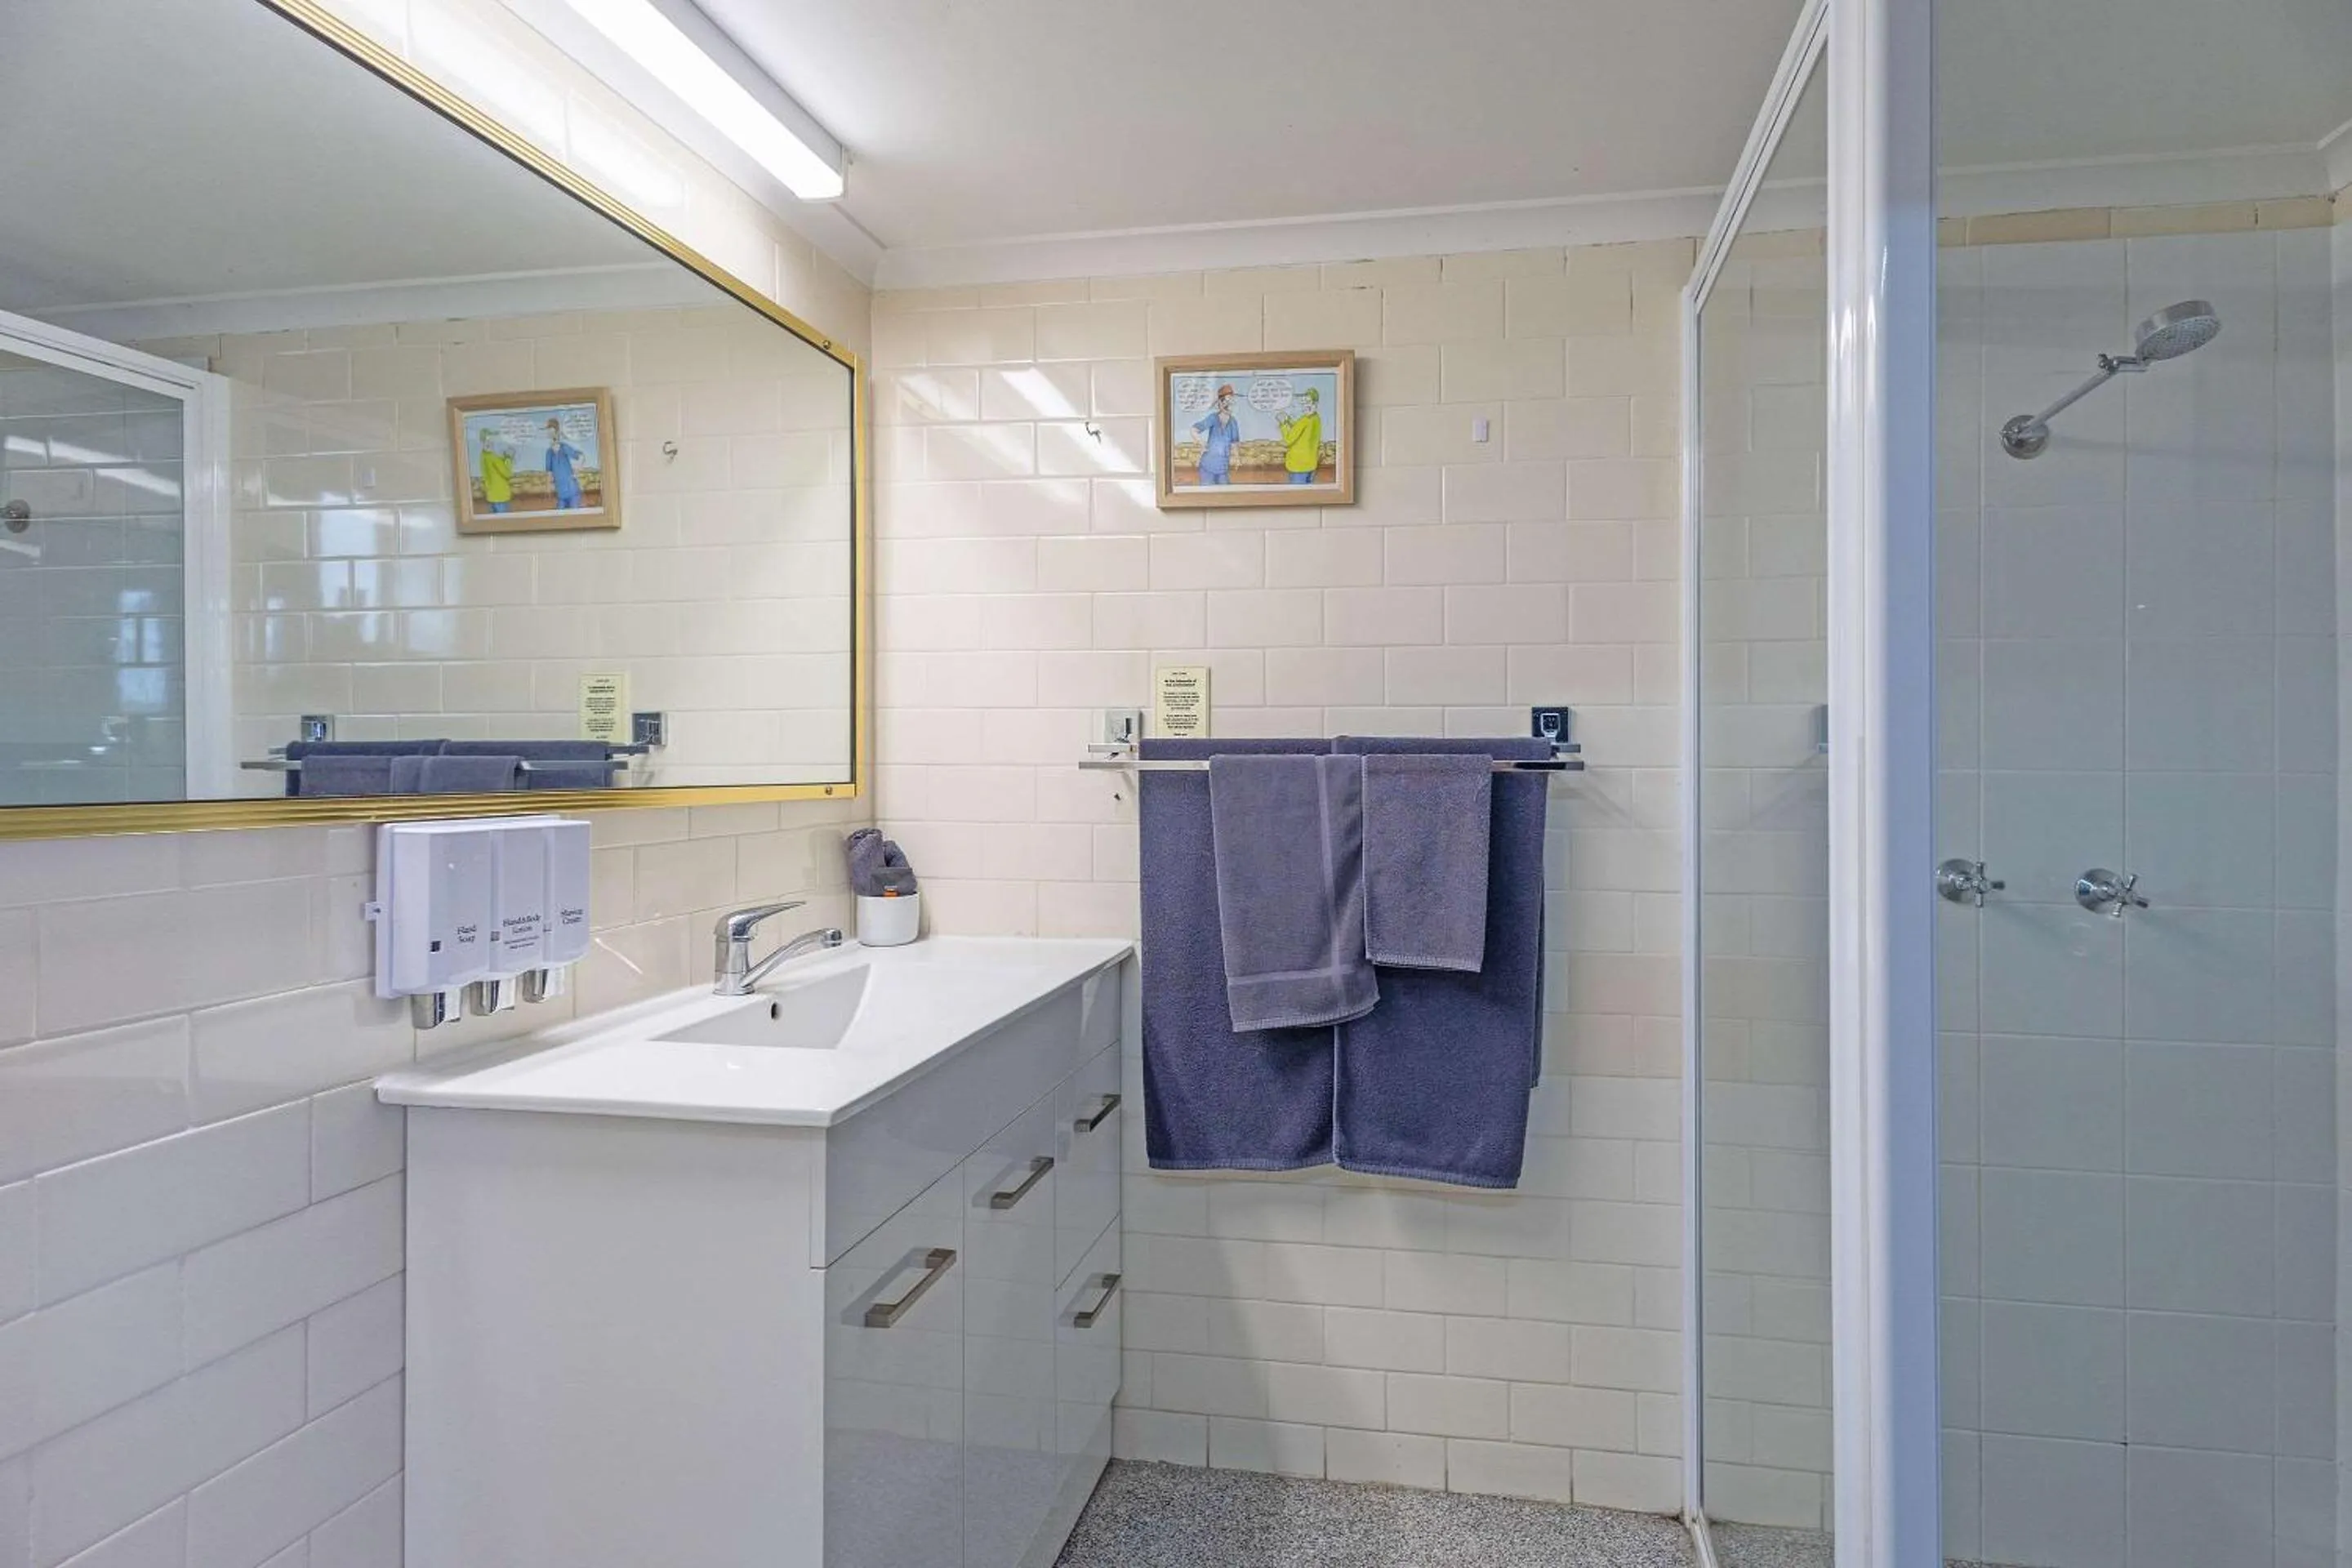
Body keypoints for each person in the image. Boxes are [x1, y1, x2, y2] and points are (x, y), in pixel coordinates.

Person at [1192, 385, 1241, 485]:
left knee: (1225, 491)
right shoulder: (1213, 418)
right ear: (1219, 403)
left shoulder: (1233, 422)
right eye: (1225, 401)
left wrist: (1237, 458)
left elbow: (1234, 442)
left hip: (1223, 467)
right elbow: (1194, 429)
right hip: (1207, 466)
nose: (1228, 405)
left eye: (1231, 402)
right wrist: (1202, 443)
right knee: (1207, 491)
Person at [1275, 385, 1323, 484]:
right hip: (1311, 464)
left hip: (1298, 466)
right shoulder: (1316, 418)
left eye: (1308, 402)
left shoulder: (1304, 420)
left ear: (1315, 403)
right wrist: (1288, 420)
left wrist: (1283, 424)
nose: (1305, 405)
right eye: (1304, 402)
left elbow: (1288, 440)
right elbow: (1299, 429)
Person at [543, 416, 586, 510]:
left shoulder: (564, 447)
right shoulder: (549, 453)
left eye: (551, 430)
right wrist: (548, 487)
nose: (549, 433)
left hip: (572, 491)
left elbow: (581, 457)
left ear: (557, 432)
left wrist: (576, 472)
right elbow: (549, 472)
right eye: (548, 431)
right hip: (560, 493)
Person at [476, 427, 515, 513]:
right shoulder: (493, 458)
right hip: (501, 495)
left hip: (491, 495)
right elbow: (507, 474)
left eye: (491, 440)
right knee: (504, 520)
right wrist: (508, 458)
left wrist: (504, 458)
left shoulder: (484, 456)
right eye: (488, 441)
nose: (490, 443)